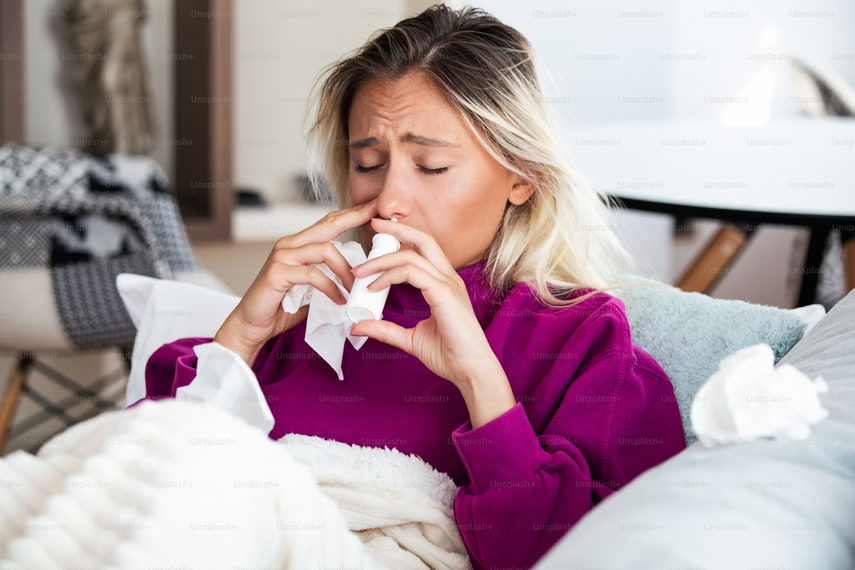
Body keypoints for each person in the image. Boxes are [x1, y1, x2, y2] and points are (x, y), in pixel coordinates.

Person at [137, 5, 686, 568]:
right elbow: (134, 492)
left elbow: (577, 555)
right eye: (369, 162)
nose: (390, 200)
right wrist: (239, 340)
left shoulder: (583, 346)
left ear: (522, 175)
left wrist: (481, 383)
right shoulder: (307, 313)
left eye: (430, 165)